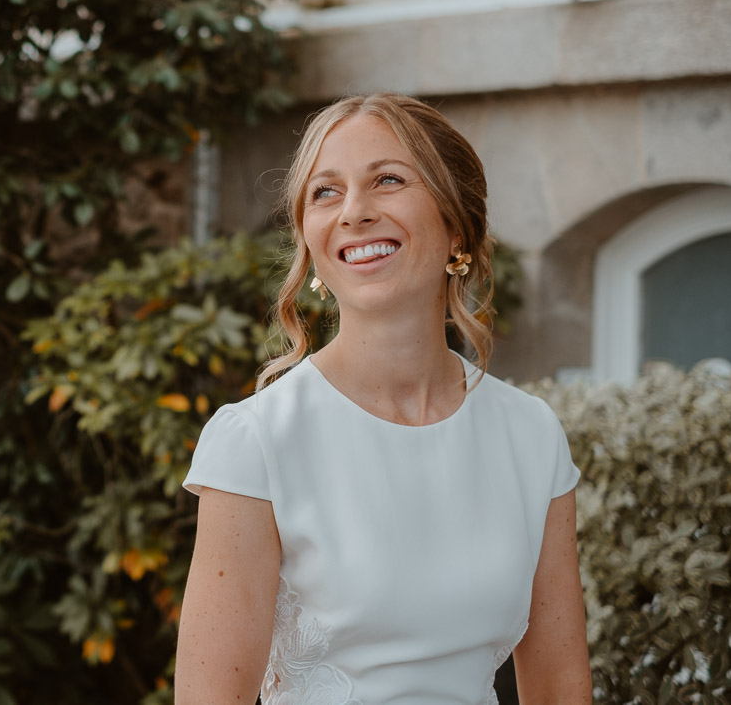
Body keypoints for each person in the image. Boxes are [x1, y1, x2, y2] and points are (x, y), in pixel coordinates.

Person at [176, 94, 592, 704]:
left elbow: (558, 688)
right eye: (325, 191)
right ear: (310, 241)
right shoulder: (256, 442)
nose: (354, 212)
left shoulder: (529, 434)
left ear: (457, 223)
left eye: (388, 181)